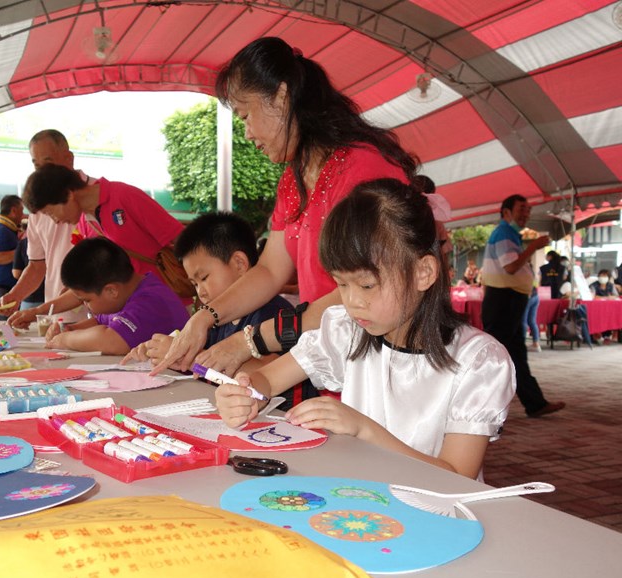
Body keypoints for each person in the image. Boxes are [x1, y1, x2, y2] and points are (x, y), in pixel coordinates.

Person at [153, 37, 418, 389]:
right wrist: (204, 317)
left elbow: (364, 289)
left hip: (380, 366)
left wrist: (249, 340)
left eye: (246, 116)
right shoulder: (294, 182)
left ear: (281, 96)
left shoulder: (362, 169)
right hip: (331, 360)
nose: (246, 133)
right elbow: (268, 270)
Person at [215, 179, 513, 480]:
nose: (353, 301)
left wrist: (364, 429)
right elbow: (266, 378)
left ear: (423, 272)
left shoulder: (478, 361)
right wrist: (246, 393)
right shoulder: (348, 331)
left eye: (367, 285)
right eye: (341, 284)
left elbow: (458, 476)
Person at [15, 163, 186, 321]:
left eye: (50, 212)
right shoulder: (84, 223)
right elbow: (86, 288)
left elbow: (184, 241)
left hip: (167, 309)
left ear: (68, 194)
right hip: (132, 317)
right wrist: (37, 312)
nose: (56, 221)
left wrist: (205, 299)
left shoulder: (124, 196)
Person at [124, 212, 291, 367]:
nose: (200, 292)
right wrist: (160, 350)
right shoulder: (214, 323)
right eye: (194, 284)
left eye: (203, 278)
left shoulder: (272, 313)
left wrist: (190, 360)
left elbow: (271, 372)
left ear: (239, 264)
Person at [0, 130, 92, 325]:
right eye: (36, 165)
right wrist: (14, 296)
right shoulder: (37, 210)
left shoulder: (96, 197)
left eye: (47, 164)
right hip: (57, 315)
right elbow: (37, 265)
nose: (41, 173)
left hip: (100, 315)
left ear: (69, 159)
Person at [481, 194, 565, 417]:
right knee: (496, 355)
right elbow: (510, 267)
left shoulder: (510, 234)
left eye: (528, 209)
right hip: (503, 300)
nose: (526, 213)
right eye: (521, 209)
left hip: (509, 300)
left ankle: (535, 403)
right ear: (506, 212)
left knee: (516, 353)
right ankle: (473, 405)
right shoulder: (504, 233)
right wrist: (534, 247)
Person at [44, 238, 188, 354]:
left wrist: (66, 340)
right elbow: (100, 321)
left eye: (87, 300)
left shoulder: (151, 301)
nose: (85, 306)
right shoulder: (127, 295)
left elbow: (112, 341)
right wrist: (71, 329)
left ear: (111, 291)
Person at [12, 223, 45, 310]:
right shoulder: (52, 242)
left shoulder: (23, 243)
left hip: (30, 298)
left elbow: (16, 273)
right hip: (54, 296)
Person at [589, 269, 619, 344]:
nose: (602, 277)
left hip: (609, 308)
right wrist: (604, 298)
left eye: (605, 276)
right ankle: (597, 335)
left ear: (608, 277)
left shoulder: (611, 285)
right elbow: (592, 296)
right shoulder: (593, 285)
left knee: (614, 315)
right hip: (597, 308)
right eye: (601, 276)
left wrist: (612, 297)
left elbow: (615, 295)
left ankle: (609, 335)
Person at [522, 284, 541, 352]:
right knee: (532, 322)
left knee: (523, 322)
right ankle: (536, 343)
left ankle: (522, 344)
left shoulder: (522, 273)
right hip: (535, 295)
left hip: (527, 296)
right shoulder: (534, 273)